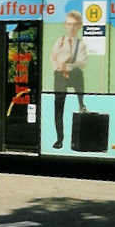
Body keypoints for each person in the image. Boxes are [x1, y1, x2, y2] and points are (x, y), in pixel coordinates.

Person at [50, 10, 88, 149]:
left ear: (78, 26)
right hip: (60, 75)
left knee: (81, 101)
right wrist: (60, 68)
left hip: (74, 74)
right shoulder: (59, 41)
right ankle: (59, 139)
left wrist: (67, 66)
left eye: (74, 25)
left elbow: (81, 62)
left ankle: (82, 105)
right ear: (65, 25)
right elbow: (53, 58)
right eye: (69, 24)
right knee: (58, 107)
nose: (71, 27)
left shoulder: (81, 44)